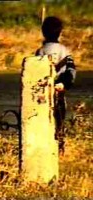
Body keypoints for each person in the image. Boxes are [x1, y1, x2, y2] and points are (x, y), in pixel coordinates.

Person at [36, 16, 76, 154]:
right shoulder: (64, 51)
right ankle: (59, 148)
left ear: (43, 32)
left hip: (43, 93)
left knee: (43, 119)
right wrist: (64, 84)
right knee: (59, 120)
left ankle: (46, 146)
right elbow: (71, 70)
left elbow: (35, 74)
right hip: (59, 92)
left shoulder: (40, 51)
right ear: (60, 32)